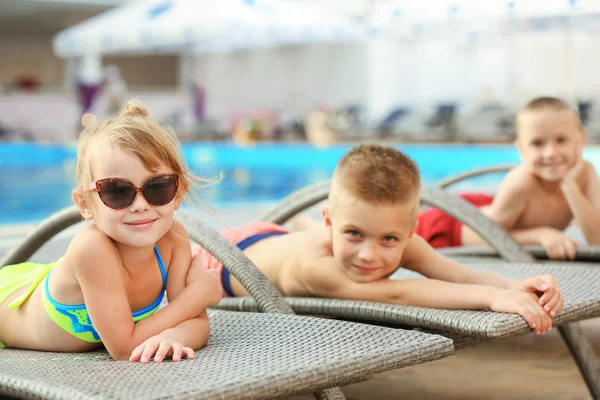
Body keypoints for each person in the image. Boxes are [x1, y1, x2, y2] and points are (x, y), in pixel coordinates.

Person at [193, 144, 563, 335]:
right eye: (354, 233)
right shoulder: (320, 270)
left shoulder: (397, 236)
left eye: (389, 239)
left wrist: (518, 285)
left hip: (276, 241)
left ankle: (302, 227)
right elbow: (400, 293)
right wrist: (495, 297)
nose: (369, 255)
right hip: (226, 261)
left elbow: (458, 274)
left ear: (410, 230)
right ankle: (302, 229)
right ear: (330, 221)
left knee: (315, 244)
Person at [0, 101, 221, 363]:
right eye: (117, 191)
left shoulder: (173, 239)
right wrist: (196, 296)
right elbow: (125, 348)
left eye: (158, 187)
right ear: (85, 203)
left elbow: (196, 323)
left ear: (178, 193)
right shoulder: (92, 249)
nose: (140, 206)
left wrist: (176, 337)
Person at [416, 96, 600, 260]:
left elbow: (597, 240)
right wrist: (541, 235)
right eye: (537, 143)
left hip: (498, 213)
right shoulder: (522, 183)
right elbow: (483, 236)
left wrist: (570, 188)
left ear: (582, 139)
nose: (551, 153)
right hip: (455, 227)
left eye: (561, 140)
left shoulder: (586, 173)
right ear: (521, 150)